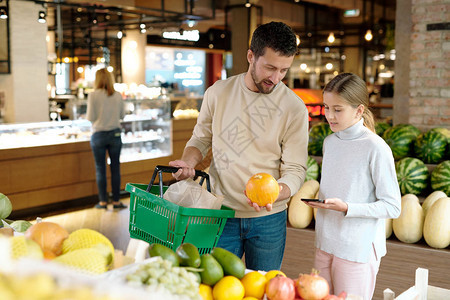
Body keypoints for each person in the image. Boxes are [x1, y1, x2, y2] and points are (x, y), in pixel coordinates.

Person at [169, 21, 309, 271]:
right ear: (250, 56)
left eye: (284, 70)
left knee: (263, 290)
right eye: (270, 68)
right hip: (219, 213)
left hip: (269, 219)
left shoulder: (294, 108)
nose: (276, 78)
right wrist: (188, 163)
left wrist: (277, 191)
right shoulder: (218, 93)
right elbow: (200, 139)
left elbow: (296, 170)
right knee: (218, 289)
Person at [304, 73, 401, 299]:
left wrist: (347, 207)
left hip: (356, 250)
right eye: (326, 107)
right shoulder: (329, 142)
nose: (329, 116)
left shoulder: (376, 148)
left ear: (359, 110)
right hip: (324, 243)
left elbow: (393, 206)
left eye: (337, 110)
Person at [87, 68, 127, 210]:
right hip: (115, 134)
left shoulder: (93, 95)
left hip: (98, 135)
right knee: (115, 168)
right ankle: (116, 201)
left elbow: (90, 117)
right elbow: (123, 115)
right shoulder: (117, 95)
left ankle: (103, 202)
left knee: (100, 169)